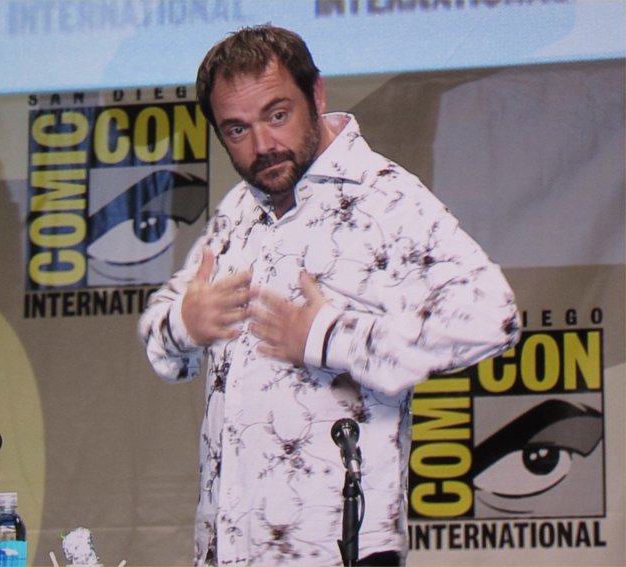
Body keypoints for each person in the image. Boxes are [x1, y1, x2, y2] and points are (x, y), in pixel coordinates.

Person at [138, 25, 521, 567]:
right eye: (237, 129)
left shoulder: (383, 197)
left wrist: (329, 336)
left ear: (316, 95)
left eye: (277, 115)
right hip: (229, 551)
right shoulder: (240, 210)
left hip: (339, 548)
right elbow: (162, 345)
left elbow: (494, 317)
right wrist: (185, 322)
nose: (262, 146)